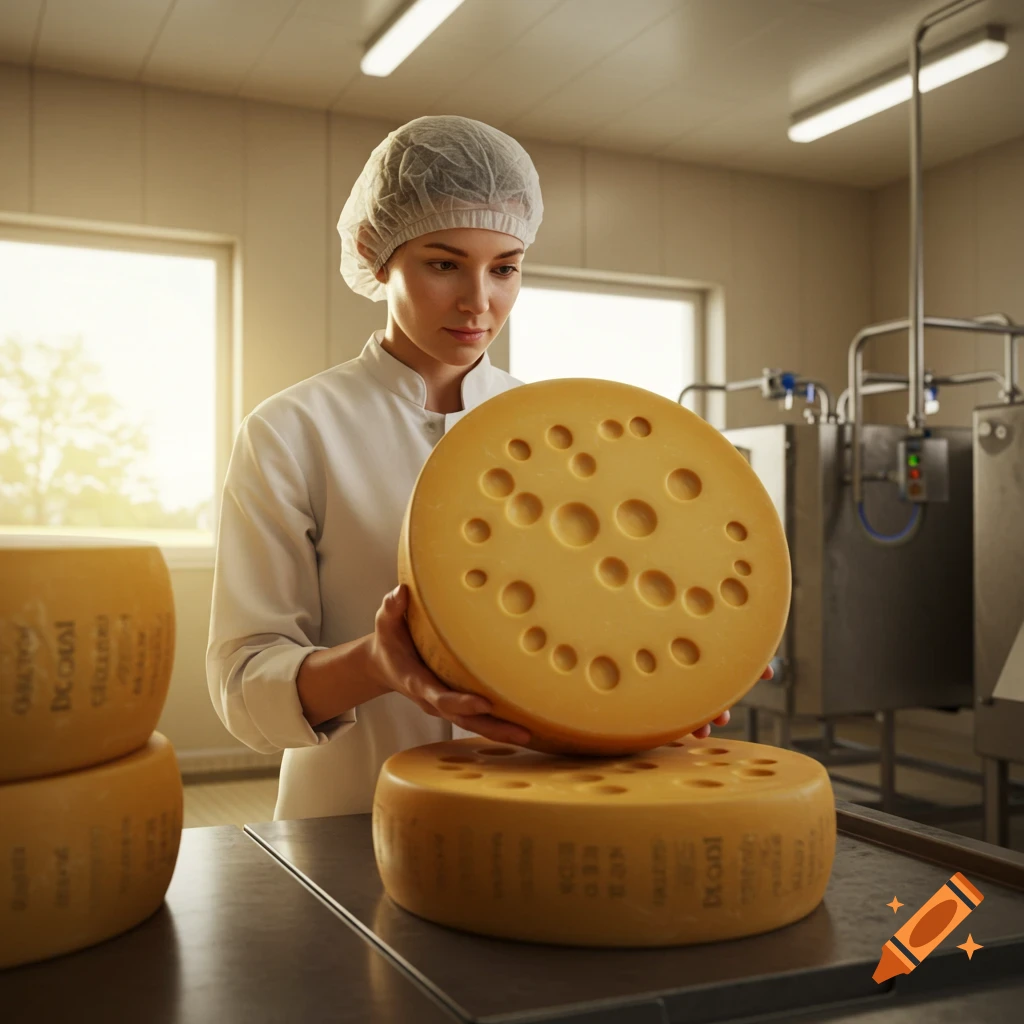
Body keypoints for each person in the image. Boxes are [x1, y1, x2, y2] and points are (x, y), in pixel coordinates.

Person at [206, 115, 770, 821]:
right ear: (374, 254)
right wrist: (378, 667)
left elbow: (598, 626)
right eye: (444, 264)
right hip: (354, 816)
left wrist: (667, 691)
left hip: (531, 814)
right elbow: (241, 685)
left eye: (505, 268)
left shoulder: (558, 431)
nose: (480, 301)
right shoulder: (292, 431)